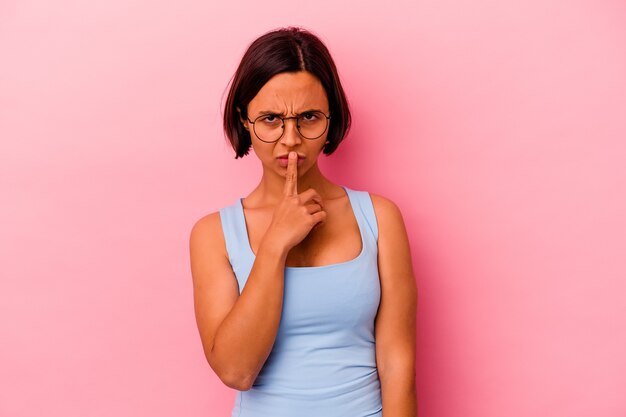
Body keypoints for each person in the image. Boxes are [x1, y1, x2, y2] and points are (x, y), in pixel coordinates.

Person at [189, 26, 417, 417]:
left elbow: (398, 368)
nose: (290, 138)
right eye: (271, 119)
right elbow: (236, 370)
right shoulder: (213, 234)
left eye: (308, 117)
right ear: (245, 120)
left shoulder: (380, 218)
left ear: (331, 118)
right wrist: (276, 243)